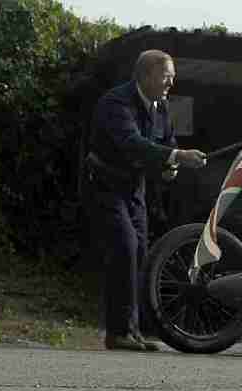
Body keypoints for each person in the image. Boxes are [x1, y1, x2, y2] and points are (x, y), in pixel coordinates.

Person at [84, 49, 207, 351]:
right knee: (124, 246)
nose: (170, 84)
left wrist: (169, 167)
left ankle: (132, 332)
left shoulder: (161, 106)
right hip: (104, 184)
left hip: (134, 189)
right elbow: (132, 143)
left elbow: (166, 142)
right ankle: (118, 332)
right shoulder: (115, 102)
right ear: (146, 75)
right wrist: (176, 156)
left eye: (173, 78)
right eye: (166, 76)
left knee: (139, 251)